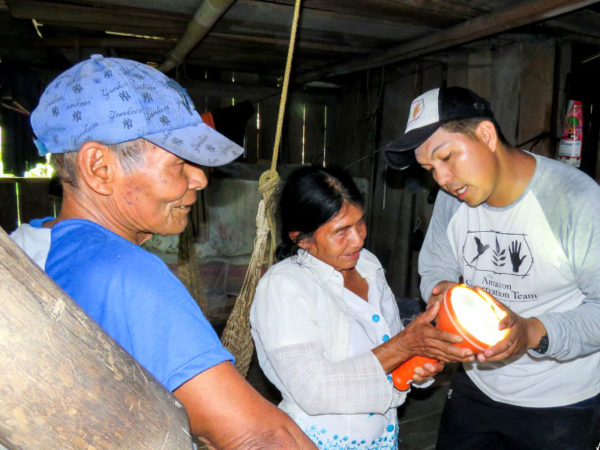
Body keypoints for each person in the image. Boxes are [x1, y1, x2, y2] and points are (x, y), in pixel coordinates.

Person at [27, 54, 316, 449]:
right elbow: (262, 437)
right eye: (179, 162)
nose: (199, 178)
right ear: (99, 167)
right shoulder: (126, 273)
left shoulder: (30, 247)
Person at [383, 86, 600, 449]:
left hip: (562, 402)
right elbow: (436, 268)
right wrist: (444, 301)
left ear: (486, 134)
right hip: (478, 386)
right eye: (429, 169)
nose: (442, 179)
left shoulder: (576, 201)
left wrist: (531, 332)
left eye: (447, 157)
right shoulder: (454, 200)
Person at [249, 165, 473, 449]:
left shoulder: (367, 264)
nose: (358, 238)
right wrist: (405, 346)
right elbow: (314, 390)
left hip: (381, 438)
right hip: (318, 441)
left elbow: (388, 345)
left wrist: (417, 364)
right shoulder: (283, 286)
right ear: (301, 239)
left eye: (359, 222)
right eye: (341, 231)